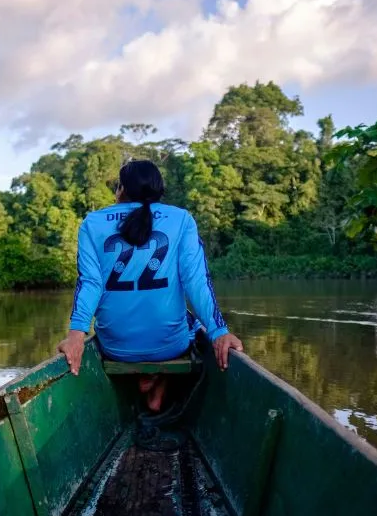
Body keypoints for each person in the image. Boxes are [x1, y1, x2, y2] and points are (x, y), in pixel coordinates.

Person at [57, 159, 243, 411]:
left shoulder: (92, 223)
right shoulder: (181, 219)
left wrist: (75, 334)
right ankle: (158, 380)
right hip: (170, 344)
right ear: (159, 190)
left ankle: (145, 378)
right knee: (193, 324)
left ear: (121, 189)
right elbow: (195, 281)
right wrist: (219, 332)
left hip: (115, 346)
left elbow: (90, 282)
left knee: (134, 324)